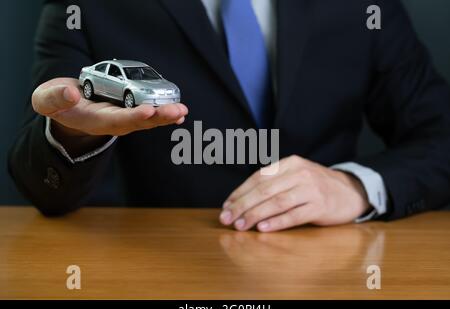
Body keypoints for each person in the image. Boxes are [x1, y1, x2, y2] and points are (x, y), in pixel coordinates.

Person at [8, 0, 450, 232]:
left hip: (327, 263)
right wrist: (69, 133)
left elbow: (441, 137)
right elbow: (43, 186)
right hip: (158, 269)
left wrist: (356, 186)